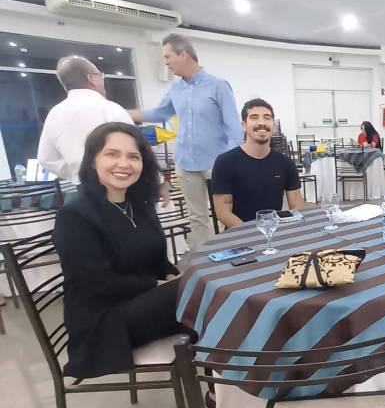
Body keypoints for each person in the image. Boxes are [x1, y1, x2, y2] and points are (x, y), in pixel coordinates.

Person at [52, 123, 186, 379]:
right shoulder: (75, 215)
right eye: (112, 154)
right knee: (202, 292)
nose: (124, 163)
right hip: (105, 323)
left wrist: (171, 275)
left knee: (205, 290)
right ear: (93, 160)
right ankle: (232, 379)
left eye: (133, 156)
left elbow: (156, 257)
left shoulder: (139, 204)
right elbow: (97, 283)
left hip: (143, 304)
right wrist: (160, 284)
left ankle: (224, 381)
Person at [129, 34, 242, 250]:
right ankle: (205, 260)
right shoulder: (176, 88)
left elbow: (234, 129)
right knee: (197, 217)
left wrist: (231, 163)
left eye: (168, 56)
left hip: (216, 164)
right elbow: (160, 113)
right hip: (186, 163)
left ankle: (238, 252)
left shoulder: (218, 85)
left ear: (183, 54)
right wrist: (124, 113)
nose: (166, 62)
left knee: (226, 214)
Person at [37, 56, 133, 182]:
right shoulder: (111, 109)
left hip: (83, 186)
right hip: (120, 184)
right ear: (92, 79)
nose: (102, 79)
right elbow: (135, 150)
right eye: (101, 75)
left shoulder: (54, 113)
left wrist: (78, 173)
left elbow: (45, 159)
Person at [211, 99, 304, 228]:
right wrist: (255, 233)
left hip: (274, 231)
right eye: (254, 117)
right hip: (240, 234)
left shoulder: (286, 163)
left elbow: (297, 206)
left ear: (273, 125)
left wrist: (281, 229)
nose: (261, 123)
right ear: (244, 125)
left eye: (267, 118)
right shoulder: (225, 162)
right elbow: (223, 213)